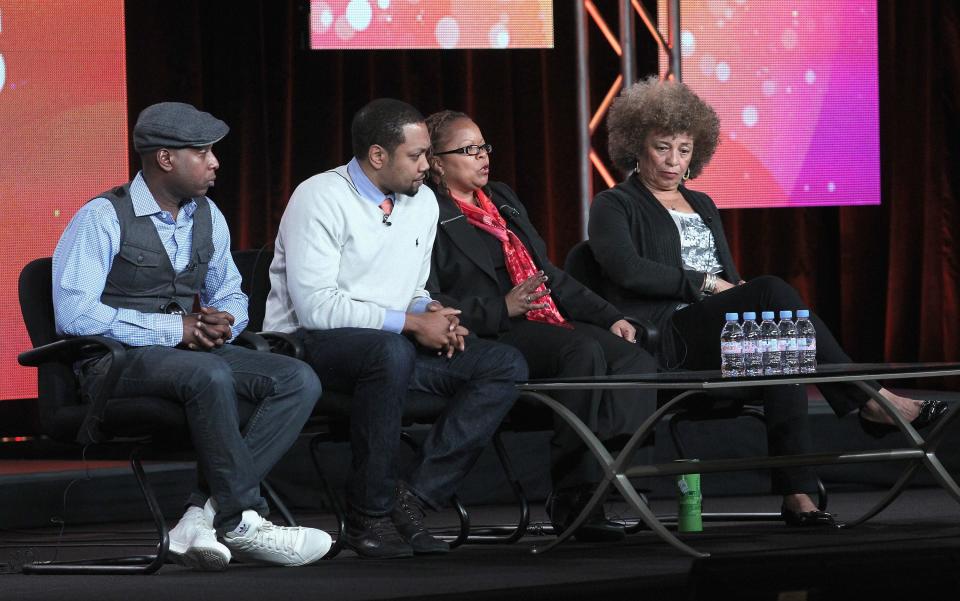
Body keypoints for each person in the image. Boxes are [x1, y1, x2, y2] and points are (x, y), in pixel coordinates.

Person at [588, 76, 948, 524]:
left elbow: (733, 281)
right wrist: (708, 285)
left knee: (785, 350)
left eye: (683, 149)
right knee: (772, 290)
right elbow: (627, 269)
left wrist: (731, 291)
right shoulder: (614, 204)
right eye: (662, 147)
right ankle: (872, 400)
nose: (673, 160)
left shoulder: (702, 203)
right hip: (669, 339)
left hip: (719, 332)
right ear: (636, 146)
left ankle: (798, 496)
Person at [52, 102, 332, 570]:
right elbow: (75, 315)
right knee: (208, 375)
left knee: (297, 378)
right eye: (202, 152)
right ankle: (243, 517)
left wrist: (224, 321)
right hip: (115, 363)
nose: (215, 162)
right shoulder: (102, 217)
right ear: (166, 159)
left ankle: (200, 516)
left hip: (189, 357)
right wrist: (175, 328)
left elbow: (230, 292)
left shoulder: (208, 215)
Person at [263, 98, 527, 559]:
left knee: (501, 363)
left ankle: (414, 500)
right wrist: (411, 323)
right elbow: (316, 309)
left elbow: (411, 287)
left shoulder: (422, 202)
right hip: (308, 349)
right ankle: (369, 513)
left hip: (389, 341)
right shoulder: (320, 197)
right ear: (378, 155)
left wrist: (433, 311)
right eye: (418, 155)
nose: (429, 166)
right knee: (390, 353)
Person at [423, 110, 657, 541]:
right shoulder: (425, 212)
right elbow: (429, 294)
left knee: (634, 359)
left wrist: (611, 316)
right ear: (436, 162)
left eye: (484, 147)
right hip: (491, 330)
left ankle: (602, 475)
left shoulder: (502, 199)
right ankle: (573, 494)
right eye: (468, 150)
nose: (482, 157)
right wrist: (502, 307)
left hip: (540, 318)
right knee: (581, 352)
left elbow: (546, 272)